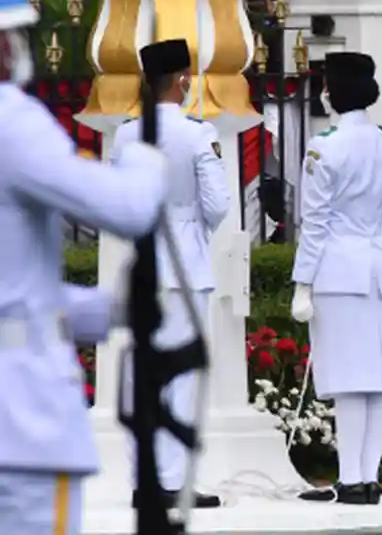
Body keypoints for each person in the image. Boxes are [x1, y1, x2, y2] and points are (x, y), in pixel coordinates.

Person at [0, 0, 169, 534]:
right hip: (20, 425)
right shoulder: (11, 121)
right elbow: (125, 209)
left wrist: (107, 311)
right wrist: (147, 155)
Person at [112, 38, 230, 510]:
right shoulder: (197, 133)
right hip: (185, 268)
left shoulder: (125, 134)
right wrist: (193, 228)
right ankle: (172, 482)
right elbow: (219, 204)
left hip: (144, 266)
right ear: (181, 80)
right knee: (179, 377)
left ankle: (145, 480)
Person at [291, 52, 382, 505]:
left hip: (339, 272)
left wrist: (302, 282)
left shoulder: (326, 145)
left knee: (348, 380)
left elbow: (315, 221)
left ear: (332, 93)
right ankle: (365, 479)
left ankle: (350, 478)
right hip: (381, 270)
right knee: (377, 379)